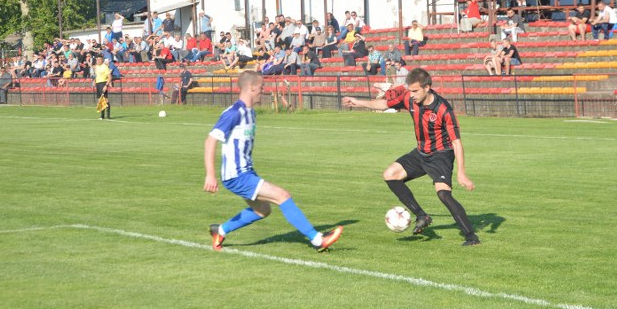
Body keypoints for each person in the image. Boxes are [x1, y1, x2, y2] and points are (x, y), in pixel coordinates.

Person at [204, 70, 343, 252]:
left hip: (246, 172)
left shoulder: (250, 113)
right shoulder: (234, 113)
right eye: (261, 87)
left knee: (263, 210)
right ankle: (318, 240)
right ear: (252, 88)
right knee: (282, 195)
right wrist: (210, 175)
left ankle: (220, 231)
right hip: (237, 175)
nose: (263, 90)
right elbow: (210, 140)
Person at [342, 68, 480, 246]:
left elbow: (456, 143)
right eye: (410, 90)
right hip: (420, 152)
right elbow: (384, 104)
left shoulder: (443, 109)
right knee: (390, 175)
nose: (412, 95)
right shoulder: (408, 98)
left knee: (443, 194)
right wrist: (358, 102)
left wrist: (461, 173)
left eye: (415, 91)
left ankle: (471, 237)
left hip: (440, 156)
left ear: (427, 87)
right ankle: (422, 216)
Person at [92, 54, 112, 120]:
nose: (98, 61)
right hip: (98, 84)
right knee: (100, 100)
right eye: (97, 59)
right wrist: (94, 81)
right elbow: (96, 75)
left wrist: (106, 85)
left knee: (105, 99)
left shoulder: (105, 67)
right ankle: (102, 116)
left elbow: (110, 77)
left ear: (102, 60)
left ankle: (108, 116)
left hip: (103, 83)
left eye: (99, 59)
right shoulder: (96, 67)